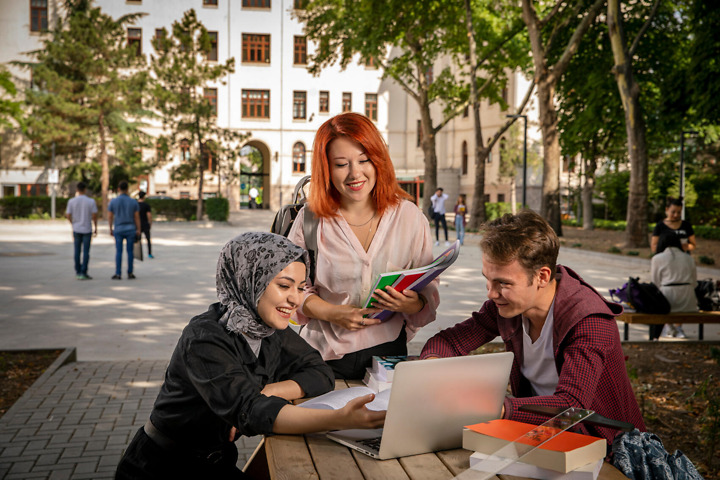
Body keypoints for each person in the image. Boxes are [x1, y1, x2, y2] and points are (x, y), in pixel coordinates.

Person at [114, 232, 385, 479]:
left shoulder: (268, 329)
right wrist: (339, 419)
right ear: (251, 280)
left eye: (300, 288)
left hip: (217, 464)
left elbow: (319, 372)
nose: (295, 300)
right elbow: (251, 412)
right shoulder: (205, 338)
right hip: (161, 468)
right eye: (284, 285)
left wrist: (266, 392)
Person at [420, 210, 645, 445]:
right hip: (543, 437)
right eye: (487, 279)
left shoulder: (589, 321)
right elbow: (448, 341)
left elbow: (572, 406)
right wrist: (432, 366)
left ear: (542, 277)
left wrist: (499, 409)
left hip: (607, 447)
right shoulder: (507, 308)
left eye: (503, 283)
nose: (491, 293)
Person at [288, 112, 439, 380]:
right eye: (341, 164)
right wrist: (332, 313)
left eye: (364, 160)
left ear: (378, 160)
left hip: (388, 358)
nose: (355, 174)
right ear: (326, 169)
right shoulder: (310, 220)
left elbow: (428, 294)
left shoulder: (410, 217)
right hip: (319, 358)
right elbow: (290, 289)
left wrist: (412, 303)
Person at [651, 233, 698, 339]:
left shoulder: (657, 258)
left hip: (667, 299)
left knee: (662, 298)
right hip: (689, 300)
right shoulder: (689, 258)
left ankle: (669, 327)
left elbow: (655, 283)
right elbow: (694, 282)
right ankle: (675, 328)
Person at [65, 181, 98, 280]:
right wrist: (95, 227)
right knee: (86, 252)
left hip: (76, 228)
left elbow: (68, 215)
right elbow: (94, 215)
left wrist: (73, 223)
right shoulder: (91, 201)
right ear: (85, 189)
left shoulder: (71, 201)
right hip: (87, 228)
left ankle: (78, 271)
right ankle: (84, 271)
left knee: (77, 251)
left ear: (77, 190)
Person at [108, 181, 141, 280]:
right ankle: (130, 272)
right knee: (130, 251)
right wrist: (138, 229)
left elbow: (110, 216)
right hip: (130, 228)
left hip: (118, 228)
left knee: (119, 251)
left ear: (118, 189)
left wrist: (110, 228)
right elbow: (136, 217)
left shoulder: (113, 202)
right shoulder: (133, 201)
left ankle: (118, 273)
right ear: (127, 189)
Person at [137, 191, 154, 259]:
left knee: (138, 240)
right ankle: (149, 253)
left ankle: (138, 253)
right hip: (145, 224)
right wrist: (150, 223)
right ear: (144, 196)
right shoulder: (146, 205)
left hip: (138, 224)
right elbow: (149, 215)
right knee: (148, 239)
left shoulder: (135, 204)